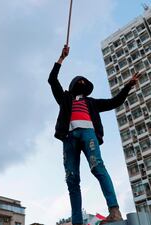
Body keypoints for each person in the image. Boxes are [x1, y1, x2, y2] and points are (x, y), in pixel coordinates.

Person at [48, 45, 141, 225]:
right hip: (68, 137)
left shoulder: (92, 102)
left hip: (88, 134)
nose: (82, 83)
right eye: (79, 81)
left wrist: (128, 86)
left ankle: (114, 210)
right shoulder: (65, 98)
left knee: (98, 167)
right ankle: (77, 222)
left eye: (84, 81)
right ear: (74, 85)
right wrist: (61, 58)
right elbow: (52, 80)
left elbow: (115, 101)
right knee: (72, 179)